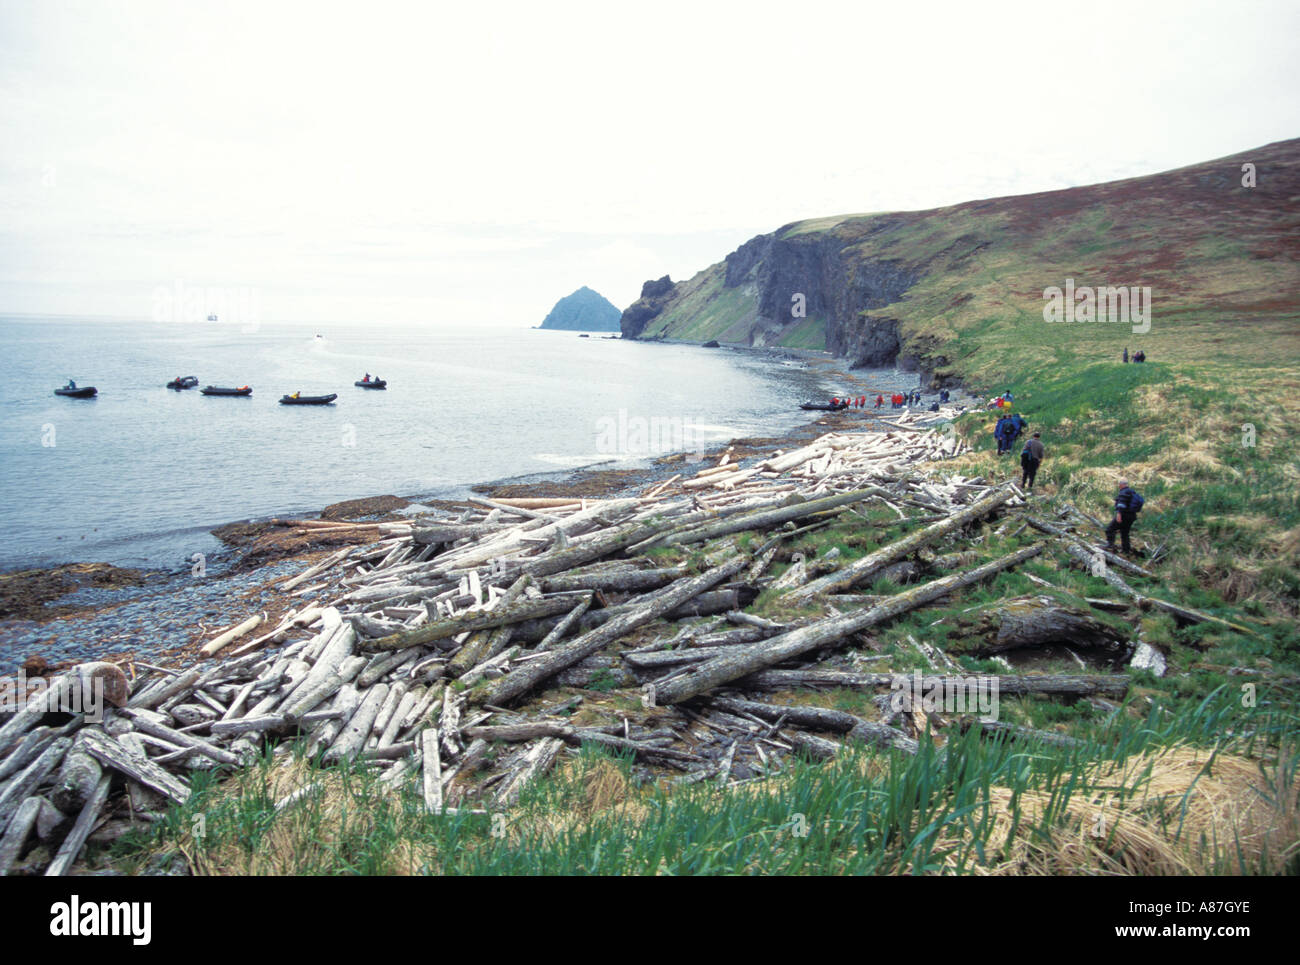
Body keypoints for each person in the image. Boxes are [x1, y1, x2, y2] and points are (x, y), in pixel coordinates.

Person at [1105, 479, 1145, 554]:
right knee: (1125, 533)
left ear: (1122, 485)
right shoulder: (1132, 492)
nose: (1118, 486)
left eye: (1119, 484)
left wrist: (1119, 514)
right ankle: (1126, 551)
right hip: (1132, 516)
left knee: (1110, 529)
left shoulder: (1124, 492)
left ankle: (1110, 545)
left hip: (1124, 515)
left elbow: (1121, 504)